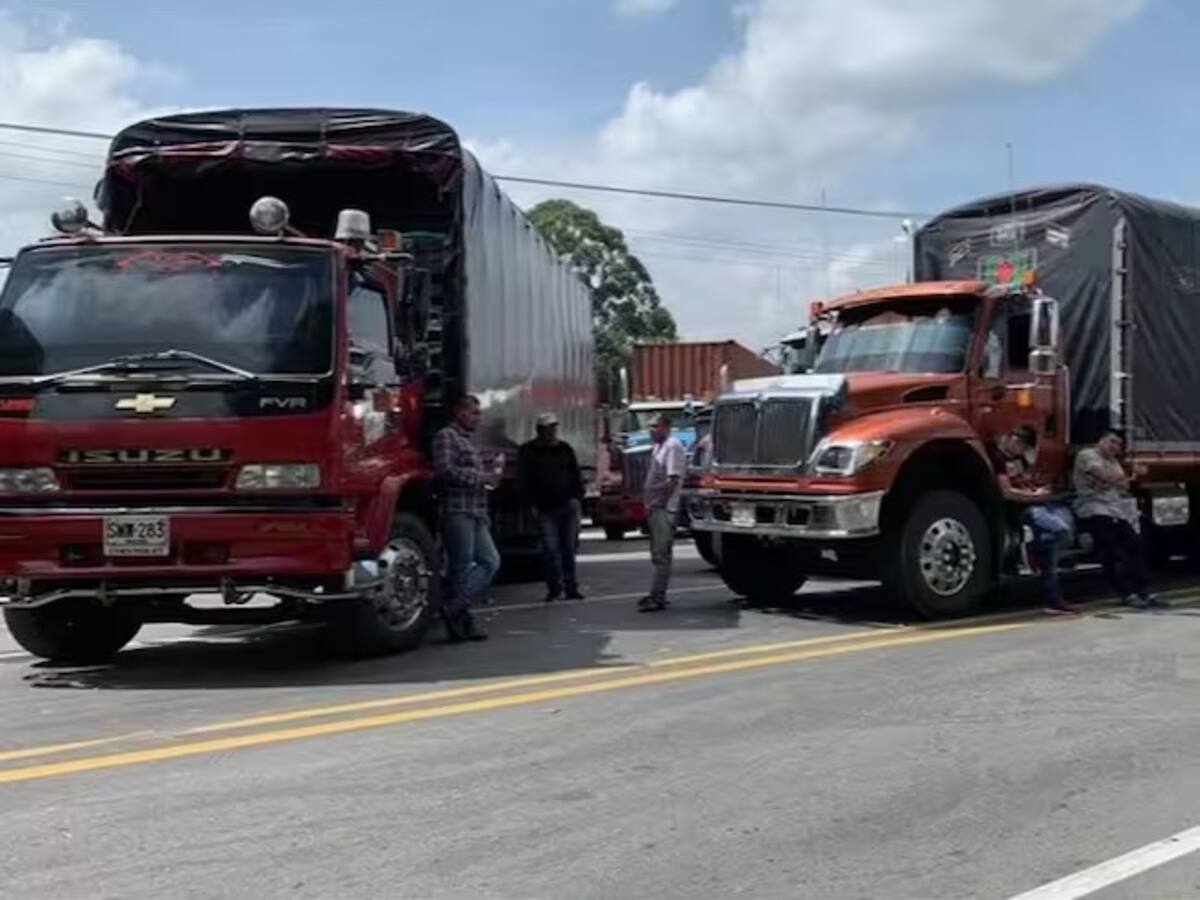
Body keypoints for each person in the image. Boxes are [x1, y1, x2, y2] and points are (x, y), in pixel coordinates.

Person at [433, 394, 503, 642]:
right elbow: (444, 470)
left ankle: (454, 606)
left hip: (475, 510)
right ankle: (459, 615)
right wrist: (480, 476)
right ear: (459, 413)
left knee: (490, 561)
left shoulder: (467, 441)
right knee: (461, 565)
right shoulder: (446, 436)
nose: (477, 417)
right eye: (473, 412)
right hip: (457, 510)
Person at [1073, 430, 1162, 609]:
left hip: (1114, 508)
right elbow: (1104, 476)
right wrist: (1129, 472)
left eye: (1119, 444)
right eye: (1112, 442)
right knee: (1110, 551)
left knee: (1136, 545)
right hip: (1094, 507)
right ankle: (1125, 593)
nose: (1115, 447)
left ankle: (1143, 590)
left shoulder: (1113, 461)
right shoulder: (1087, 455)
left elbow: (1124, 485)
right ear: (1101, 441)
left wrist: (1122, 477)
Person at [994, 425, 1076, 612]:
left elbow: (1026, 478)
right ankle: (1034, 548)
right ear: (1013, 439)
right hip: (1022, 507)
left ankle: (1052, 591)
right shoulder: (998, 458)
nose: (1020, 450)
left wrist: (1039, 490)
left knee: (1067, 528)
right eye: (1021, 445)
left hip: (1035, 500)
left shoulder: (1019, 458)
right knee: (1059, 530)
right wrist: (1036, 496)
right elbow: (1007, 493)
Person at [518, 412, 585, 603]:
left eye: (555, 427)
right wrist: (529, 504)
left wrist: (577, 500)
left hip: (567, 505)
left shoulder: (564, 449)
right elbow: (523, 480)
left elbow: (575, 475)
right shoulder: (528, 452)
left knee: (568, 548)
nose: (553, 431)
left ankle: (571, 587)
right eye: (549, 428)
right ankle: (555, 588)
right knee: (550, 549)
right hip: (544, 508)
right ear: (540, 430)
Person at [639, 413, 687, 612]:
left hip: (664, 508)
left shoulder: (672, 446)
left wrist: (657, 503)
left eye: (655, 426)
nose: (651, 429)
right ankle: (657, 593)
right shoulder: (658, 446)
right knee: (657, 553)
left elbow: (672, 480)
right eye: (650, 426)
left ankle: (657, 596)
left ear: (666, 427)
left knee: (661, 554)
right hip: (655, 507)